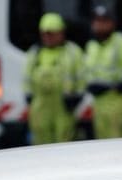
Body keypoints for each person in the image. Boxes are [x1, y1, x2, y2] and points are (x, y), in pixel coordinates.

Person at [24, 12, 84, 144]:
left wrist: (76, 98)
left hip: (64, 107)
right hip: (40, 108)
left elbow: (81, 78)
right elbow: (27, 78)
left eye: (51, 33)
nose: (47, 37)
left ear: (61, 33)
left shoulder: (72, 52)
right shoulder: (35, 53)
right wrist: (29, 97)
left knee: (64, 141)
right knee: (41, 143)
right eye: (45, 34)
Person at [84, 4, 122, 139]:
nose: (100, 25)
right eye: (97, 21)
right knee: (102, 143)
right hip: (98, 103)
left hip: (117, 101)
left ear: (112, 23)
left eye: (104, 21)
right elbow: (87, 72)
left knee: (120, 144)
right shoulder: (91, 46)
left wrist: (120, 84)